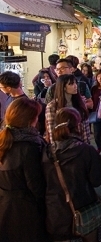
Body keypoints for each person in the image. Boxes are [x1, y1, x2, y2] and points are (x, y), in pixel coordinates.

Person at [42, 107, 101, 242]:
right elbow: (97, 179)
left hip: (56, 213)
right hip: (84, 209)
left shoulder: (45, 152)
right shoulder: (86, 151)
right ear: (78, 125)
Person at [0, 98, 47, 241]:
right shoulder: (29, 146)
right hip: (24, 210)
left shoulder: (4, 139)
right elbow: (36, 186)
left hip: (4, 205)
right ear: (30, 120)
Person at [45, 74, 90, 144]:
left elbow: (85, 126)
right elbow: (51, 131)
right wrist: (55, 150)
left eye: (76, 83)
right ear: (63, 87)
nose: (75, 86)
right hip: (63, 146)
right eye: (71, 84)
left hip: (80, 144)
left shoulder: (80, 102)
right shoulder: (52, 106)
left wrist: (87, 145)